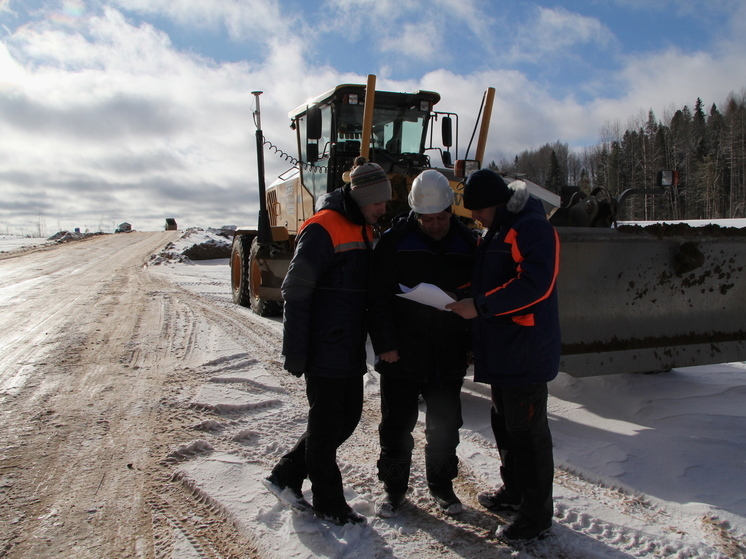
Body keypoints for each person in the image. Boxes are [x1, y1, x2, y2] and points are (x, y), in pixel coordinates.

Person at [264, 156, 391, 526]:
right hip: (324, 344)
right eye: (378, 202)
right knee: (326, 426)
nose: (383, 209)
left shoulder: (363, 226)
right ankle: (329, 502)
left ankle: (286, 474)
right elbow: (296, 289)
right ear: (359, 197)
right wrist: (296, 351)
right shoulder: (323, 227)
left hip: (348, 344)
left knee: (346, 419)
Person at [446, 168, 561, 542]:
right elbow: (490, 278)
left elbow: (535, 284)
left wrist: (479, 306)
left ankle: (535, 517)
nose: (475, 218)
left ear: (496, 203)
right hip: (502, 351)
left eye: (478, 210)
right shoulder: (499, 228)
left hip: (524, 351)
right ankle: (515, 493)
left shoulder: (531, 227)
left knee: (529, 437)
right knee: (506, 428)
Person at [368, 170, 476, 518]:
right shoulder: (393, 241)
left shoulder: (468, 242)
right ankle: (395, 489)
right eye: (427, 219)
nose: (434, 225)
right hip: (401, 352)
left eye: (441, 217)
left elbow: (482, 290)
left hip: (448, 350)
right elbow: (377, 296)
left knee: (446, 425)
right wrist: (385, 343)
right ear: (415, 213)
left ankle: (442, 486)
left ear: (450, 210)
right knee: (397, 425)